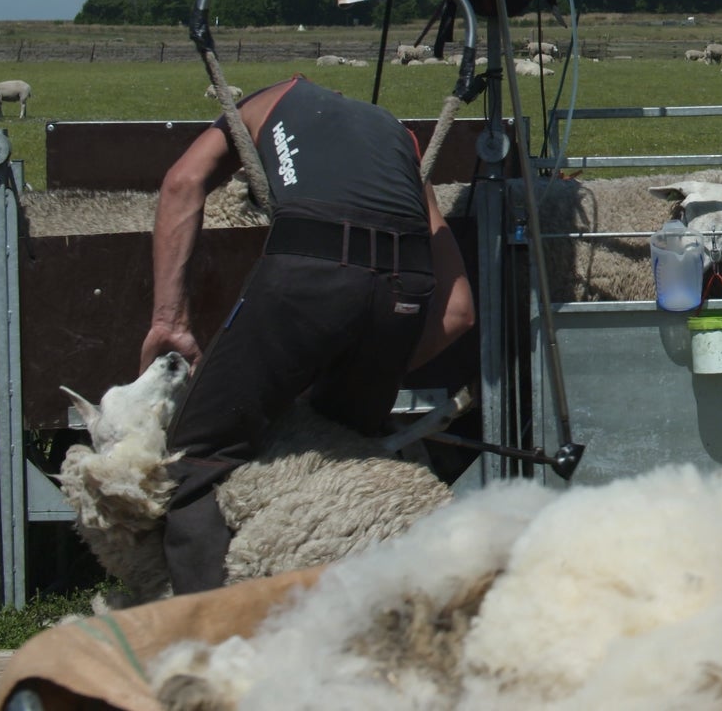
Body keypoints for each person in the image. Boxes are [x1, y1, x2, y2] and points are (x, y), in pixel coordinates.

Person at [141, 76, 475, 593]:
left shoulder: (266, 101)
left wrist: (170, 322)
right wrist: (362, 366)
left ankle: (206, 638)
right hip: (403, 289)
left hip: (309, 270)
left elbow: (181, 185)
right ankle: (356, 615)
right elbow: (456, 313)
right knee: (340, 454)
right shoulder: (400, 140)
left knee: (193, 461)